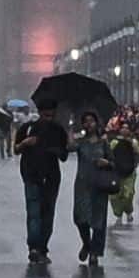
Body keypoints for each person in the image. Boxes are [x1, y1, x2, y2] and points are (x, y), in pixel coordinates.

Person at [14, 99, 68, 264]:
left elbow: (64, 155)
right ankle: (34, 247)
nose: (48, 118)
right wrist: (25, 143)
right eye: (45, 114)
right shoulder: (27, 128)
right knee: (34, 212)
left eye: (51, 115)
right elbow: (16, 149)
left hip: (51, 177)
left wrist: (57, 150)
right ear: (39, 112)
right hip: (31, 175)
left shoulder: (58, 130)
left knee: (47, 214)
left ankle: (42, 247)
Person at [71, 111, 115, 266]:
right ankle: (86, 243)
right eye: (86, 121)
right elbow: (68, 148)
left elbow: (113, 162)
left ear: (97, 123)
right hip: (82, 185)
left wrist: (107, 163)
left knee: (98, 220)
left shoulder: (103, 142)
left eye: (91, 121)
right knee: (80, 218)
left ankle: (95, 252)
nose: (89, 124)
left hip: (99, 185)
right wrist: (70, 131)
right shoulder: (80, 142)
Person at [108, 117, 139, 226]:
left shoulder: (133, 142)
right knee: (115, 195)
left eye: (127, 128)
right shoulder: (114, 142)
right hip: (116, 172)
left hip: (130, 173)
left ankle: (129, 211)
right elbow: (109, 154)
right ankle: (118, 215)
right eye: (123, 128)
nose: (125, 130)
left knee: (128, 194)